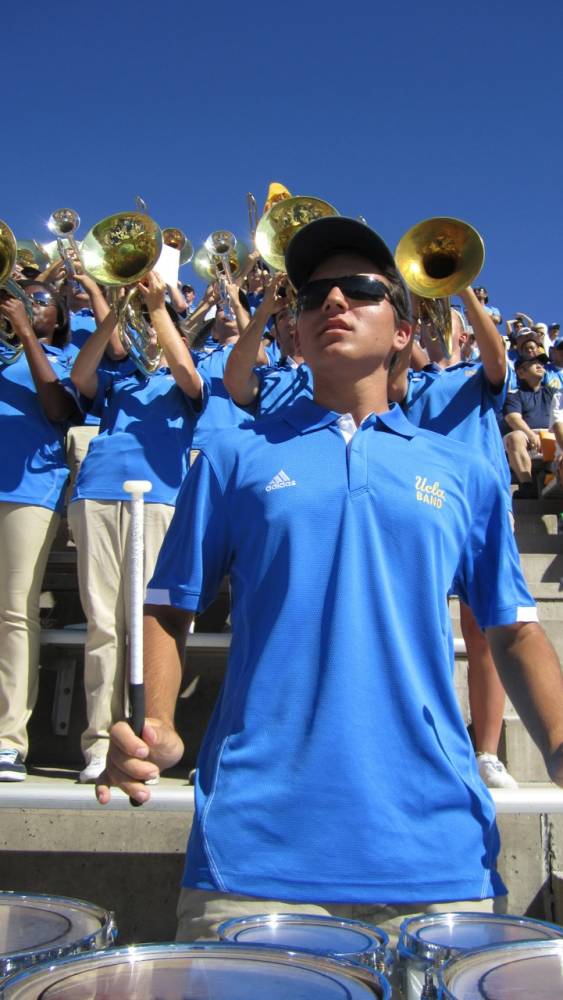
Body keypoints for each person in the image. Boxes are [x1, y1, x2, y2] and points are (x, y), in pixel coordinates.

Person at [97, 218, 563, 943]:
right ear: (294, 332)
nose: (332, 303)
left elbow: (509, 627)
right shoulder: (230, 457)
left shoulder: (465, 471)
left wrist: (559, 744)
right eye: (312, 295)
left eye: (361, 290)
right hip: (253, 855)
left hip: (438, 853)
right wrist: (156, 726)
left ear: (406, 330)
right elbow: (167, 606)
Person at [68, 272, 204, 782]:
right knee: (104, 624)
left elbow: (189, 375)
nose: (149, 333)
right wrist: (115, 313)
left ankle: (141, 739)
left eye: (158, 327)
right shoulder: (117, 378)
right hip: (98, 494)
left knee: (147, 627)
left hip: (162, 500)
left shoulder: (184, 377)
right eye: (144, 326)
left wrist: (158, 310)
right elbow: (81, 375)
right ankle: (101, 744)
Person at [389, 292, 517, 788]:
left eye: (450, 324)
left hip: (481, 512)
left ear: (462, 334)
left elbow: (497, 356)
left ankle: (486, 751)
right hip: (427, 507)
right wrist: (410, 323)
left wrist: (463, 293)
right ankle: (432, 739)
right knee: (425, 627)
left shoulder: (479, 377)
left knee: (486, 633)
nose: (438, 328)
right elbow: (393, 381)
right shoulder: (411, 381)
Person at [0, 284, 80, 781]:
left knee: (13, 611)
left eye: (42, 300)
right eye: (23, 296)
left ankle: (7, 739)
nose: (30, 302)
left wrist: (27, 334)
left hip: (27, 489)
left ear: (59, 318)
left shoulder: (67, 355)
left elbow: (57, 408)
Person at [223, 275, 313, 417]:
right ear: (274, 334)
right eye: (282, 316)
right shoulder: (266, 375)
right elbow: (235, 381)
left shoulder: (330, 361)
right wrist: (265, 309)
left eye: (294, 312)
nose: (290, 317)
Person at [503, 354, 555, 498]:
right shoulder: (514, 395)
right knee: (515, 437)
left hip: (552, 436)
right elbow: (513, 419)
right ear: (521, 373)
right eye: (534, 364)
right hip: (527, 437)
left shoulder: (554, 393)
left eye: (542, 364)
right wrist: (531, 435)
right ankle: (527, 485)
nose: (540, 366)